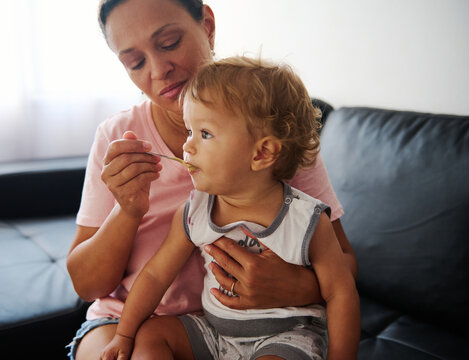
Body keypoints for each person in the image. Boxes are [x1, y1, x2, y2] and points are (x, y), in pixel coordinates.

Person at [66, 0, 358, 359]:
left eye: (169, 42)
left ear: (206, 25)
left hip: (264, 328)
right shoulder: (118, 136)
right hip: (137, 320)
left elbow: (344, 266)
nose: (158, 71)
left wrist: (297, 287)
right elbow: (87, 285)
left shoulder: (273, 129)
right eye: (135, 62)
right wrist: (127, 211)